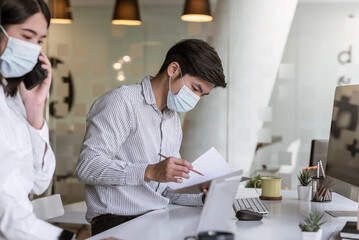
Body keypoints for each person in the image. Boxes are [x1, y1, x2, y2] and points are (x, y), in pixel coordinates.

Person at [76, 39, 226, 235]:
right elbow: (87, 167)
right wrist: (150, 171)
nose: (196, 99)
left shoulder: (172, 119)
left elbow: (165, 192)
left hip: (156, 219)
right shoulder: (122, 102)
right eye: (195, 88)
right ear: (173, 69)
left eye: (202, 95)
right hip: (116, 226)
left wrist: (203, 197)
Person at [0, 0, 75, 239]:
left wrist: (35, 108)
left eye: (39, 41)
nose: (34, 48)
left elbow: (39, 182)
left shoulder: (12, 100)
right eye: (27, 36)